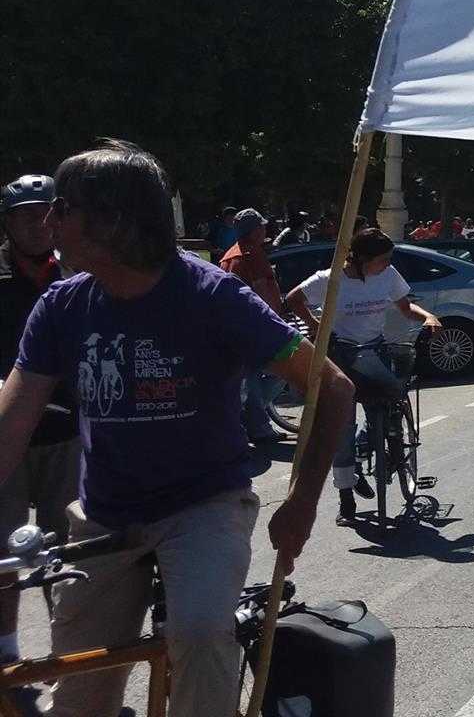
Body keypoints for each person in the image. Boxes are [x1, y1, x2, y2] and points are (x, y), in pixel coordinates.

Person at [0, 141, 353, 716]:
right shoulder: (61, 306)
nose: (47, 220)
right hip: (105, 514)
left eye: (62, 206)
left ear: (112, 221)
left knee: (197, 630)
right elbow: (10, 426)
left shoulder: (215, 296)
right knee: (80, 687)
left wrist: (302, 503)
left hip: (202, 507)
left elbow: (332, 386)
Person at [285, 228, 442, 522]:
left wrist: (427, 316)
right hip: (340, 355)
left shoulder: (387, 274)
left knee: (386, 405)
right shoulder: (330, 280)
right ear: (360, 259)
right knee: (341, 429)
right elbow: (294, 298)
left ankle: (374, 443)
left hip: (375, 349)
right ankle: (346, 496)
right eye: (381, 259)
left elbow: (406, 307)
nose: (387, 263)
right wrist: (315, 323)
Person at [0, 175, 81, 689]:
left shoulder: (75, 275)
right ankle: (6, 657)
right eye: (25, 214)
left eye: (45, 212)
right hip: (7, 435)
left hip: (67, 433)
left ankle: (70, 655)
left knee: (69, 551)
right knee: (3, 552)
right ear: (6, 223)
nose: (37, 222)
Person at [218, 209, 289, 444]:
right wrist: (275, 323)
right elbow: (261, 291)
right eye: (262, 226)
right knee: (283, 367)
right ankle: (257, 423)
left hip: (233, 327)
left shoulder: (229, 255)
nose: (266, 230)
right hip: (254, 324)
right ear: (255, 230)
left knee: (249, 376)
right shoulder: (251, 254)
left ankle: (253, 419)